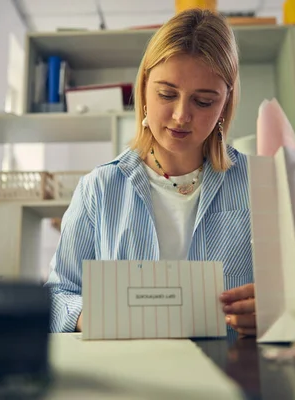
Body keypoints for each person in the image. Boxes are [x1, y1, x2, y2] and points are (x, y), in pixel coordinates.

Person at [45, 9, 256, 337]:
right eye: (167, 94)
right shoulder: (99, 189)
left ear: (225, 105)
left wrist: (276, 309)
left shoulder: (260, 185)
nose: (181, 115)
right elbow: (57, 296)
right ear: (143, 90)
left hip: (232, 376)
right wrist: (95, 316)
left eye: (203, 101)